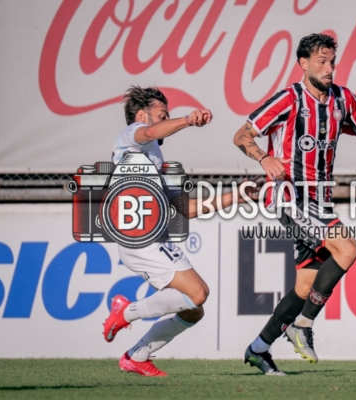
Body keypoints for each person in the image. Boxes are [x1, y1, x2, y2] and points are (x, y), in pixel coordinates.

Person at [233, 34, 356, 375]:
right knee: (347, 248)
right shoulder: (288, 99)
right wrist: (264, 158)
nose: (329, 68)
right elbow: (242, 135)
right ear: (303, 64)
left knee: (306, 286)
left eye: (332, 62)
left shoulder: (343, 99)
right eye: (322, 62)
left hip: (321, 202)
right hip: (289, 198)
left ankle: (258, 348)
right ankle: (302, 325)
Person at [104, 86, 255, 377]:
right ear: (141, 115)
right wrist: (187, 120)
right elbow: (150, 132)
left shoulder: (156, 159)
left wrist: (236, 196)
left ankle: (137, 356)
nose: (166, 119)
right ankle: (125, 312)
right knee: (198, 292)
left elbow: (185, 208)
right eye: (162, 114)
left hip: (156, 237)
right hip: (139, 236)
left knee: (193, 310)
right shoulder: (130, 137)